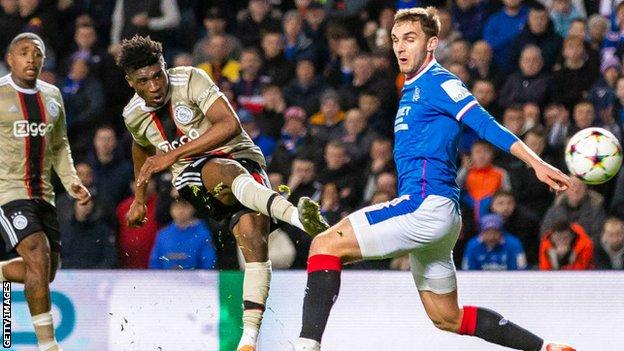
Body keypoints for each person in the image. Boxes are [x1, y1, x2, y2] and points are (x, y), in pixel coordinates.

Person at [290, 8, 574, 351]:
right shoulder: (411, 88)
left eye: (409, 38)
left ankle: (305, 347)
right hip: (439, 217)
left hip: (425, 205)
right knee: (447, 317)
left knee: (324, 245)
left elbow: (484, 123)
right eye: (395, 40)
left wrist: (536, 163)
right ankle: (547, 348)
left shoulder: (439, 81)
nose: (400, 47)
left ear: (431, 43)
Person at [116, 35, 328, 351]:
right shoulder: (133, 114)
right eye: (144, 80)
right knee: (226, 175)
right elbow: (140, 147)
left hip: (239, 153)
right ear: (130, 81)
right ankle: (297, 215)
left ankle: (248, 340)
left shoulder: (190, 78)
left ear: (164, 67)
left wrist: (170, 155)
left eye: (158, 74)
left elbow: (229, 124)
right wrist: (140, 197)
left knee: (254, 238)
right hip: (191, 177)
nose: (155, 85)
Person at [0, 33, 91, 351]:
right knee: (37, 256)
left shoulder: (52, 96)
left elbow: (60, 146)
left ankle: (1, 271)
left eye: (36, 53)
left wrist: (71, 181)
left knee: (46, 273)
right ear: (10, 59)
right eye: (23, 52)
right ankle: (48, 345)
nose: (31, 59)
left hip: (44, 193)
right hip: (8, 192)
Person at [149, 198, 216, 270]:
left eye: (184, 206)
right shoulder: (163, 234)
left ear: (193, 207)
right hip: (166, 280)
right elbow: (155, 262)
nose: (180, 211)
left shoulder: (203, 234)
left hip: (195, 279)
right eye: (177, 206)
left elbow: (208, 261)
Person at [462, 214, 527, 271]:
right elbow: (467, 269)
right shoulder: (473, 245)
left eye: (495, 232)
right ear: (481, 232)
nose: (491, 237)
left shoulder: (514, 244)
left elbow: (520, 269)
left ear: (501, 232)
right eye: (487, 232)